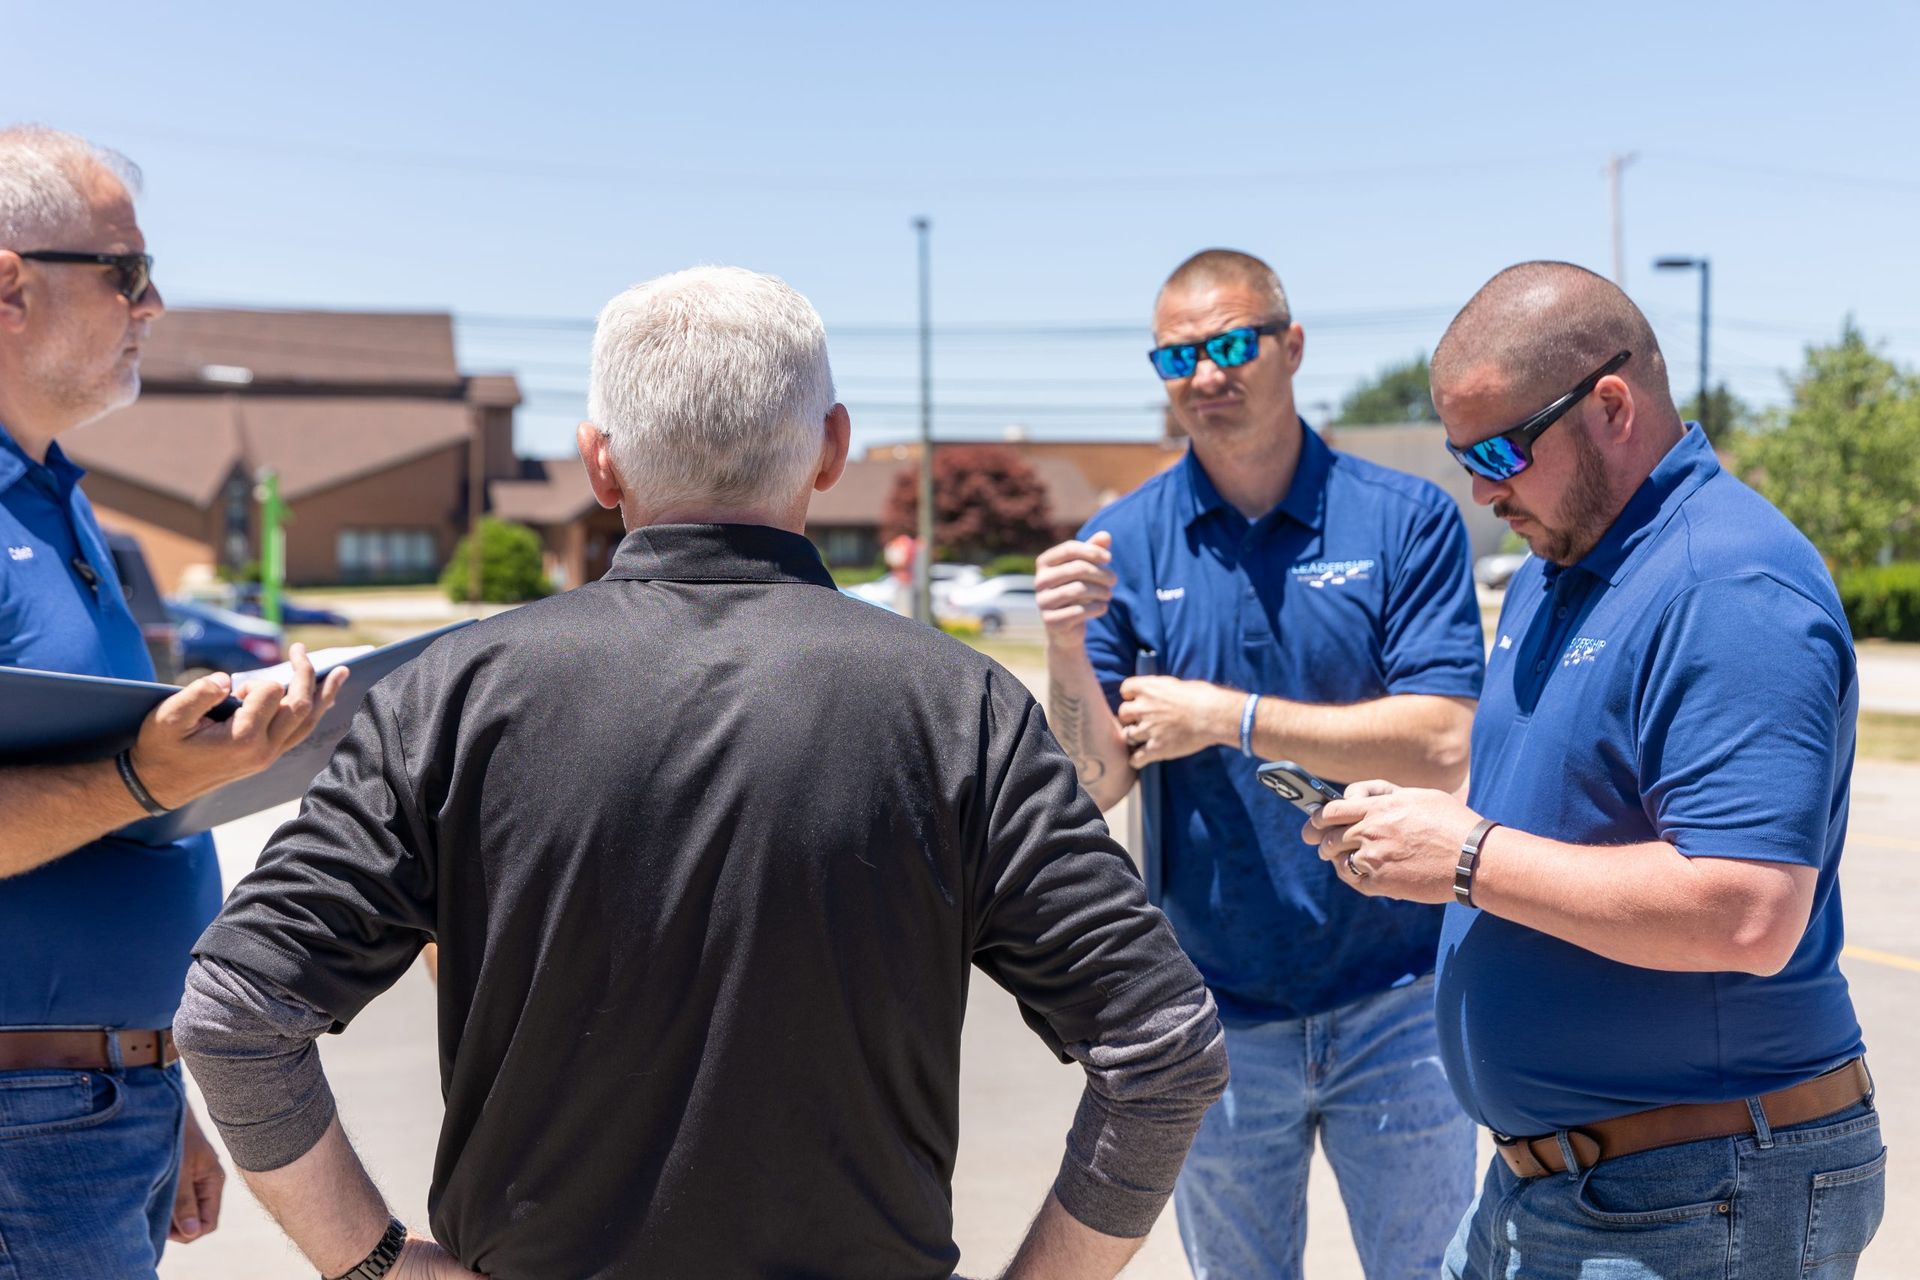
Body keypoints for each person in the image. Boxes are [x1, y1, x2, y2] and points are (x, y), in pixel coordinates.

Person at [173, 265, 1229, 1280]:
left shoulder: (451, 695)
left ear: (598, 461)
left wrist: (375, 1264)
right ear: (832, 448)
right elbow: (1166, 1052)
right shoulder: (964, 709)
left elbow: (234, 1013)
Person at [1306, 260, 1885, 1278]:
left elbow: (1747, 909)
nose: (1483, 488)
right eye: (1460, 454)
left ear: (1611, 405)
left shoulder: (1726, 582)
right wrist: (1425, 827)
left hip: (1698, 1190)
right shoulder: (1561, 568)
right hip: (1559, 1188)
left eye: (1498, 450)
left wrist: (1469, 852)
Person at [1036, 248, 1484, 1279]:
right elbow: (1094, 783)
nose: (1206, 374)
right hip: (1220, 1010)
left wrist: (1232, 717)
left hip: (1398, 992)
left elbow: (1442, 739)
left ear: (1291, 344)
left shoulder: (1403, 518)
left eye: (1232, 344)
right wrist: (1068, 642)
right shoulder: (1127, 541)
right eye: (1177, 356)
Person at [0, 125, 346, 1279]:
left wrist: (155, 1074)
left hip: (95, 1096)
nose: (154, 304)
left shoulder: (56, 503)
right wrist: (148, 775)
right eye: (128, 271)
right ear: (8, 287)